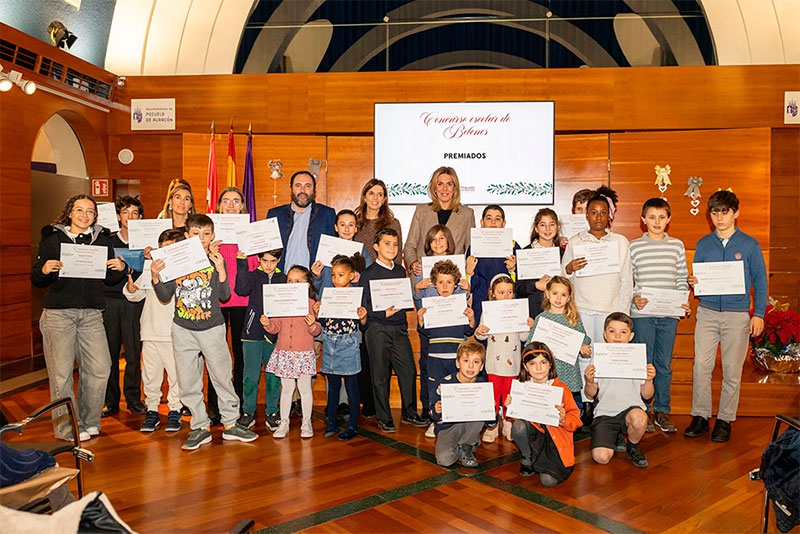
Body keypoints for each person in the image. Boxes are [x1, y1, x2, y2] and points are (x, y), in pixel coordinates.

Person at [152, 213, 257, 450]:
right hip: (183, 329)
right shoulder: (175, 260)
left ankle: (231, 424)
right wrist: (156, 276)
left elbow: (224, 295)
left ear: (213, 236)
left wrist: (221, 270)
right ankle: (200, 426)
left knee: (222, 376)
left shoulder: (214, 259)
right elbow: (165, 296)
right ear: (186, 235)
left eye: (206, 234)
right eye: (195, 234)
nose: (201, 239)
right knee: (188, 380)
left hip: (212, 327)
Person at [31, 194, 128, 442]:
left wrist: (120, 270)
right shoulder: (52, 237)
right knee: (62, 375)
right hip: (58, 315)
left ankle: (89, 421)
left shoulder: (104, 241)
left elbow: (108, 279)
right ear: (69, 213)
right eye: (80, 210)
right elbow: (37, 279)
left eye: (90, 212)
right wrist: (44, 270)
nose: (85, 216)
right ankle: (66, 428)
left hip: (92, 314)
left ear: (96, 216)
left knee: (100, 368)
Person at [684, 190, 766, 443]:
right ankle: (700, 415)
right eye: (715, 212)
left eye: (725, 212)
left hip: (737, 316)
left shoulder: (750, 245)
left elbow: (760, 282)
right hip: (707, 312)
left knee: (732, 370)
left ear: (736, 213)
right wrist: (693, 281)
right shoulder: (703, 244)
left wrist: (759, 314)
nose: (719, 217)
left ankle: (724, 419)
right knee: (702, 366)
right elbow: (699, 279)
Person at [562, 186, 632, 422]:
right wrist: (570, 268)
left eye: (603, 212)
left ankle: (608, 407)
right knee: (583, 358)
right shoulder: (575, 241)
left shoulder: (621, 242)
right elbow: (563, 279)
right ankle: (588, 406)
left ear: (609, 215)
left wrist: (622, 315)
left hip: (609, 312)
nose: (598, 217)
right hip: (582, 310)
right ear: (587, 215)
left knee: (605, 359)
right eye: (594, 212)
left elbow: (626, 280)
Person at [630, 198, 690, 434]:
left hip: (668, 315)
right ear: (643, 220)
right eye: (652, 217)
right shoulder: (634, 246)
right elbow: (629, 281)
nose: (657, 222)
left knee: (664, 364)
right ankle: (642, 409)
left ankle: (662, 410)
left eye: (662, 217)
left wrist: (683, 302)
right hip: (642, 315)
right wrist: (635, 297)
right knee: (643, 365)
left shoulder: (676, 245)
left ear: (668, 219)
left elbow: (681, 279)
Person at [360, 228, 427, 432]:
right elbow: (364, 306)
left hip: (399, 328)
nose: (392, 248)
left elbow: (404, 299)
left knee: (407, 371)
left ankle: (409, 413)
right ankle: (384, 416)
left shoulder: (400, 271)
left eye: (395, 244)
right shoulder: (367, 274)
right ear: (376, 247)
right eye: (387, 243)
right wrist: (382, 315)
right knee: (380, 375)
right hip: (377, 329)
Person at [123, 228, 184, 433]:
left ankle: (175, 408)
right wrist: (130, 289)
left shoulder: (185, 270)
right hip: (149, 331)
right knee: (150, 375)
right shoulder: (151, 268)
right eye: (163, 248)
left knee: (176, 375)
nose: (166, 252)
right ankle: (152, 409)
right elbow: (135, 294)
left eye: (172, 248)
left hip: (174, 333)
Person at [413, 224, 469, 429]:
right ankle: (431, 414)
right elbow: (419, 298)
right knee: (429, 370)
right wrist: (417, 289)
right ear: (428, 244)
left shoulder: (458, 266)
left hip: (453, 331)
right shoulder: (422, 266)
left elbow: (463, 299)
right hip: (432, 327)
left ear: (449, 242)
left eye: (442, 239)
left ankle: (455, 412)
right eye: (433, 239)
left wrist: (467, 289)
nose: (438, 243)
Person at [207, 187, 255, 423]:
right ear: (218, 206)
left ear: (243, 207)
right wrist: (209, 252)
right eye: (226, 201)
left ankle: (237, 402)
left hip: (242, 301)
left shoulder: (250, 233)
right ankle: (214, 405)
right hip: (215, 300)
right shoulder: (209, 235)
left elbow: (256, 267)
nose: (231, 205)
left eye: (236, 201)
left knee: (240, 353)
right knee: (216, 353)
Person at [583, 312, 656, 468]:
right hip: (605, 413)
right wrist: (589, 381)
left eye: (623, 332)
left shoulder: (637, 358)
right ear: (604, 334)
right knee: (601, 457)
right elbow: (590, 394)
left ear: (631, 336)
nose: (617, 336)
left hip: (631, 410)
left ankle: (632, 446)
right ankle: (614, 435)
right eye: (611, 331)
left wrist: (649, 380)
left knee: (640, 418)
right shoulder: (598, 358)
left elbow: (647, 396)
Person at [506, 342, 581, 486]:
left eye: (543, 362)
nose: (539, 368)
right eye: (533, 364)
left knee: (548, 481)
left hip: (555, 440)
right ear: (526, 367)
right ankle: (527, 457)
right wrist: (511, 407)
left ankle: (546, 462)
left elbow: (576, 421)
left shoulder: (562, 389)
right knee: (518, 426)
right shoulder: (522, 387)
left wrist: (563, 418)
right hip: (535, 437)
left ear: (550, 364)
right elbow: (520, 419)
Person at [418, 259, 476, 436]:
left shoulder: (461, 304)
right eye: (441, 282)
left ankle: (456, 423)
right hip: (435, 358)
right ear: (434, 285)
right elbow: (425, 332)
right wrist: (420, 320)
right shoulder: (431, 306)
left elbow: (469, 329)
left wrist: (471, 317)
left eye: (449, 282)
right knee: (434, 391)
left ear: (455, 284)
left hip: (455, 359)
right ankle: (436, 421)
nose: (445, 286)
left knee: (455, 389)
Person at [263, 265, 322, 439]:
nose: (292, 283)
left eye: (298, 281)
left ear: (307, 285)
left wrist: (312, 324)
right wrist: (267, 323)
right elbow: (275, 327)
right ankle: (284, 422)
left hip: (303, 353)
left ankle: (306, 422)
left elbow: (317, 330)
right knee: (287, 389)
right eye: (290, 280)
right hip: (284, 352)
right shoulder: (281, 303)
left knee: (304, 388)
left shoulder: (312, 304)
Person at [313, 254, 367, 441]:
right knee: (333, 385)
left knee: (352, 386)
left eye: (341, 275)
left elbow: (364, 324)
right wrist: (319, 312)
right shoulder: (328, 293)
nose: (336, 279)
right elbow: (324, 322)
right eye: (334, 275)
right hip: (329, 342)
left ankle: (352, 425)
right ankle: (331, 423)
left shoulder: (357, 295)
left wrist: (363, 317)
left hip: (348, 344)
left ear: (351, 276)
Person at [102, 195, 147, 418]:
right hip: (110, 301)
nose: (130, 216)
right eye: (126, 212)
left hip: (135, 302)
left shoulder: (146, 243)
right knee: (109, 353)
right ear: (119, 216)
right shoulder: (109, 241)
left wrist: (127, 268)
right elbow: (107, 278)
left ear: (141, 217)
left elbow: (146, 275)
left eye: (135, 213)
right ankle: (110, 401)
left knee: (133, 352)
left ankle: (133, 399)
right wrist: (123, 269)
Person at [475, 274, 533, 443]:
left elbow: (523, 338)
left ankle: (508, 422)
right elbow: (480, 337)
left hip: (512, 364)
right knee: (493, 396)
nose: (506, 296)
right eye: (501, 292)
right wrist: (480, 331)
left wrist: (528, 326)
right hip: (493, 364)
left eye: (509, 292)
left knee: (509, 396)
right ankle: (492, 425)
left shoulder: (518, 312)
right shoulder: (488, 313)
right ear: (492, 293)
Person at [234, 248, 286, 431]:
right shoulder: (253, 276)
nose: (269, 265)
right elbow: (240, 289)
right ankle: (247, 412)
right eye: (265, 261)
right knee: (250, 376)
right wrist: (241, 262)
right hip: (252, 333)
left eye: (273, 261)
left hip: (275, 334)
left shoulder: (284, 278)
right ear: (258, 259)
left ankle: (272, 412)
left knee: (273, 376)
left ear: (279, 260)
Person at [525, 276, 592, 412]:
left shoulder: (573, 318)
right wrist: (543, 352)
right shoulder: (541, 318)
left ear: (568, 298)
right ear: (547, 294)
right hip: (549, 369)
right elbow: (530, 344)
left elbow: (584, 338)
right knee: (549, 405)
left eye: (563, 295)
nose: (558, 298)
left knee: (568, 406)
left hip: (569, 368)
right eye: (555, 293)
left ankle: (568, 428)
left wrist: (583, 347)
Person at [429, 340, 491, 468]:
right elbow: (434, 415)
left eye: (476, 362)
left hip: (470, 424)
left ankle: (467, 445)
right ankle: (461, 446)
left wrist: (491, 409)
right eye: (466, 361)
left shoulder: (483, 387)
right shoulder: (445, 384)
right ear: (457, 363)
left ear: (481, 367)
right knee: (444, 460)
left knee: (479, 408)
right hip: (448, 426)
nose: (470, 366)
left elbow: (491, 423)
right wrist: (436, 409)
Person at [404, 166, 476, 276]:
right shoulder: (421, 211)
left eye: (449, 184)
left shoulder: (467, 214)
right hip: (424, 278)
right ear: (434, 188)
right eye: (440, 184)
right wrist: (413, 264)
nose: (444, 189)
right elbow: (410, 246)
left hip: (453, 280)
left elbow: (471, 250)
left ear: (455, 188)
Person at [266, 170, 336, 272]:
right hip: (282, 280)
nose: (302, 190)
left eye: (307, 186)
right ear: (291, 189)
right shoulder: (275, 215)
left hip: (314, 281)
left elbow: (334, 250)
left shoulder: (327, 214)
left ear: (314, 190)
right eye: (298, 185)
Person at [465, 204, 519, 326]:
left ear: (504, 224)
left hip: (508, 304)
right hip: (482, 302)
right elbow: (470, 286)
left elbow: (521, 285)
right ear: (482, 222)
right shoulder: (474, 249)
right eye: (489, 218)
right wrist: (468, 273)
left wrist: (513, 271)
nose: (493, 222)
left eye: (498, 219)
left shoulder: (513, 247)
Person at [515, 208, 564, 318]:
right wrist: (536, 285)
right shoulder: (525, 253)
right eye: (543, 225)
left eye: (552, 224)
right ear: (536, 228)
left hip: (559, 310)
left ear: (557, 227)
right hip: (533, 310)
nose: (547, 229)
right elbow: (518, 287)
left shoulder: (563, 253)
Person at [311, 209, 371, 295]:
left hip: (350, 301)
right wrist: (316, 276)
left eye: (351, 225)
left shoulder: (362, 253)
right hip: (327, 301)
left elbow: (367, 286)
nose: (347, 229)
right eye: (342, 224)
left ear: (356, 229)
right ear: (336, 227)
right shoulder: (325, 249)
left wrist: (356, 283)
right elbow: (317, 287)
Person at [354, 178, 403, 265]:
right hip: (359, 276)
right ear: (365, 197)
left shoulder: (393, 224)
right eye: (371, 193)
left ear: (384, 200)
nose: (375, 198)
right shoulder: (354, 223)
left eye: (380, 194)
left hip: (384, 276)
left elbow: (397, 258)